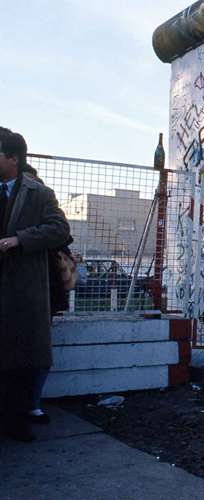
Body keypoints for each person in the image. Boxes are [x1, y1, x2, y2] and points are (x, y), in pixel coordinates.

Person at [0, 128, 70, 441]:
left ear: (12, 158)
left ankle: (17, 421)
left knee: (18, 362)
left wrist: (20, 239)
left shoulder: (38, 192)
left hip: (21, 290)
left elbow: (59, 229)